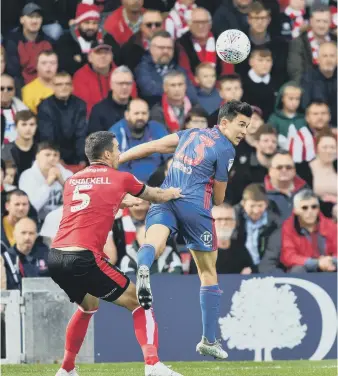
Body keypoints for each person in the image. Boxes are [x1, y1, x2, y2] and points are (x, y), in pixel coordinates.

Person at [119, 100, 253, 359]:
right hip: (195, 209)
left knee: (153, 244)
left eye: (247, 126)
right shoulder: (226, 149)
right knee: (207, 272)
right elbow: (219, 199)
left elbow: (154, 146)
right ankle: (209, 340)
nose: (244, 132)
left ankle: (144, 268)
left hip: (166, 196)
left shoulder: (190, 134)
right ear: (224, 123)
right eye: (241, 125)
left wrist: (121, 157)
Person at [48, 130, 183, 376]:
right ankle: (152, 365)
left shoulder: (73, 181)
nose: (120, 153)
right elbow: (156, 196)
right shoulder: (120, 178)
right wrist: (175, 193)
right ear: (108, 153)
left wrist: (119, 202)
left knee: (88, 306)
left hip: (56, 257)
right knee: (140, 302)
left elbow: (87, 205)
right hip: (84, 257)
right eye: (118, 148)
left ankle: (66, 369)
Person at [109, 98, 170, 182]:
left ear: (149, 114)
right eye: (136, 113)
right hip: (128, 185)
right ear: (127, 115)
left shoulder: (157, 128)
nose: (140, 117)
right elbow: (113, 166)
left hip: (157, 182)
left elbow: (171, 156)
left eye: (144, 113)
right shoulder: (116, 132)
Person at [135, 30, 198, 107]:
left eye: (169, 48)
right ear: (151, 48)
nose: (165, 51)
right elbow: (149, 91)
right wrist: (178, 92)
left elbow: (193, 95)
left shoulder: (179, 70)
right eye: (161, 48)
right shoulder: (142, 68)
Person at [55, 3, 121, 76]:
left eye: (94, 23)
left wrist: (81, 59)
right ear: (78, 24)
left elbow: (116, 60)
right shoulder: (66, 39)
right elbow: (65, 66)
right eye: (87, 23)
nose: (91, 27)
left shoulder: (107, 38)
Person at [37, 72, 87, 166]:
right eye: (59, 84)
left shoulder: (80, 105)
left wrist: (81, 159)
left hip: (76, 156)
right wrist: (56, 158)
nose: (64, 87)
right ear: (52, 87)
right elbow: (47, 137)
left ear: (72, 86)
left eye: (67, 84)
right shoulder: (44, 107)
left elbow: (81, 135)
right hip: (53, 156)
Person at [280, 189, 337, 272]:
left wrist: (330, 261)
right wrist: (316, 263)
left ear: (318, 209)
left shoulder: (331, 225)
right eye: (304, 208)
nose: (310, 211)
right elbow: (288, 256)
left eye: (314, 207)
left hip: (330, 267)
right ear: (295, 210)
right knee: (297, 270)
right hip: (305, 268)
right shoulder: (288, 227)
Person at [177, 7, 234, 84]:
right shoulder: (182, 43)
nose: (200, 26)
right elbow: (186, 74)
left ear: (210, 24)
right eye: (196, 22)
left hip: (221, 89)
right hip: (194, 89)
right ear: (189, 25)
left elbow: (228, 72)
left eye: (204, 22)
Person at [19, 142, 73, 221]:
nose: (52, 158)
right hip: (37, 222)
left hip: (63, 222)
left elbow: (77, 203)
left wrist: (62, 181)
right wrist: (48, 183)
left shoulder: (67, 174)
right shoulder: (27, 176)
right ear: (37, 156)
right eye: (47, 155)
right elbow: (31, 209)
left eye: (55, 155)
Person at [227, 124, 277, 204]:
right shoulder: (244, 168)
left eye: (274, 141)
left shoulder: (280, 165)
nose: (270, 144)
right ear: (256, 143)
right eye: (266, 141)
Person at [4, 3, 53, 85]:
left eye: (38, 17)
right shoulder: (12, 41)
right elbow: (13, 72)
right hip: (21, 88)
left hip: (45, 86)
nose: (34, 21)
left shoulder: (49, 42)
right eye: (30, 17)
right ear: (22, 20)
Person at [287, 5, 335, 83]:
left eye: (325, 21)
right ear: (311, 21)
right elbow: (296, 73)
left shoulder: (335, 41)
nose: (321, 25)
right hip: (308, 89)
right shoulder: (299, 42)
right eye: (318, 21)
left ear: (330, 22)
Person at [268, 82, 314, 163]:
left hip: (303, 158)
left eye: (297, 99)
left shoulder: (303, 118)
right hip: (281, 157)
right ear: (282, 98)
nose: (294, 102)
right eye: (291, 98)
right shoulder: (274, 118)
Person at [2, 217, 49, 290]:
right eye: (23, 233)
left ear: (36, 236)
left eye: (31, 233)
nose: (27, 237)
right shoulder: (5, 259)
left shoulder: (46, 255)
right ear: (14, 234)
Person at [88, 66, 135, 135]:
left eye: (128, 83)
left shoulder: (139, 108)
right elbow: (96, 142)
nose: (125, 87)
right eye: (120, 83)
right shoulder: (98, 110)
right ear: (111, 85)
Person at [301, 41, 337, 126]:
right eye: (325, 56)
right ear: (317, 59)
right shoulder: (308, 79)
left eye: (332, 56)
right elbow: (306, 107)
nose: (328, 60)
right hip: (317, 128)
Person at [264, 151, 307, 220]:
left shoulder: (306, 191)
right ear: (270, 171)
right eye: (279, 167)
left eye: (288, 167)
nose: (284, 170)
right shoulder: (259, 193)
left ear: (294, 171)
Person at [242, 47, 278, 121]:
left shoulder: (277, 82)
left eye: (268, 60)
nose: (265, 64)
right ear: (251, 62)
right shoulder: (242, 84)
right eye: (260, 60)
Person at [2, 110, 38, 179]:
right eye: (24, 124)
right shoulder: (5, 151)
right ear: (16, 127)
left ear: (36, 126)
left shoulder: (41, 150)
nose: (28, 128)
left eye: (32, 124)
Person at [1, 74, 28, 144]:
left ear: (14, 91)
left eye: (9, 88)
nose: (5, 91)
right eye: (1, 88)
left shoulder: (24, 111)